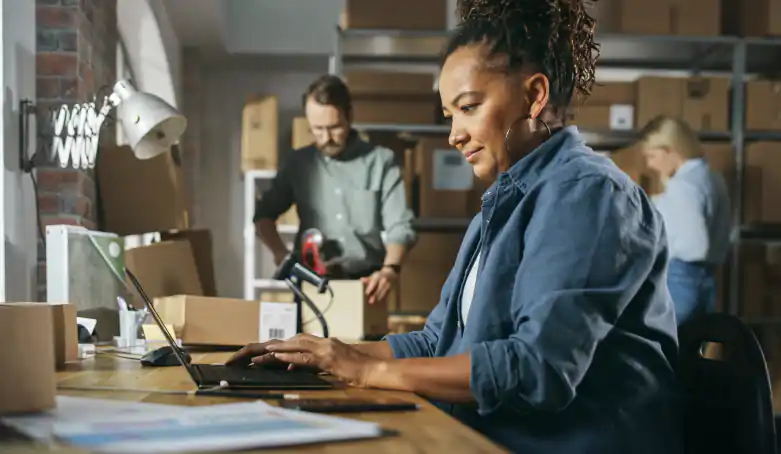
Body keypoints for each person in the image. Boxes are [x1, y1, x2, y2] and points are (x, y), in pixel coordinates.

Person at [230, 0, 683, 452]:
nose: (454, 135)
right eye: (450, 116)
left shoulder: (587, 194)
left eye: (468, 107)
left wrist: (366, 370)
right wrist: (328, 352)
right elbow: (437, 341)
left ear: (534, 96)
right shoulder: (504, 201)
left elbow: (537, 368)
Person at [253, 75, 416, 304]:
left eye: (334, 128)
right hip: (310, 284)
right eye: (317, 129)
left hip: (365, 286)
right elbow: (263, 215)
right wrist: (280, 253)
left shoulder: (381, 162)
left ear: (349, 115)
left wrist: (390, 269)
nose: (326, 138)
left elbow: (400, 225)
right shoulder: (298, 164)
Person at [640, 116, 731, 326]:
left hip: (679, 277)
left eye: (652, 156)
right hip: (707, 280)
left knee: (659, 340)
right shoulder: (714, 179)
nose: (650, 165)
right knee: (692, 341)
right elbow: (721, 236)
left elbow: (695, 245)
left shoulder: (682, 186)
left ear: (671, 150)